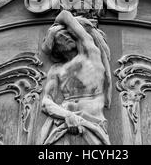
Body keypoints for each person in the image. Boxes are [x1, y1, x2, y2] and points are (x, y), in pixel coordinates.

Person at [39, 10, 112, 145]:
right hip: (62, 123)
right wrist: (68, 115)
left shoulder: (89, 56)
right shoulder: (56, 70)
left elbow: (64, 15)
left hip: (92, 123)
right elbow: (46, 102)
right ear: (56, 48)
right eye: (60, 37)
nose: (67, 37)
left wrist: (69, 25)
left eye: (68, 34)